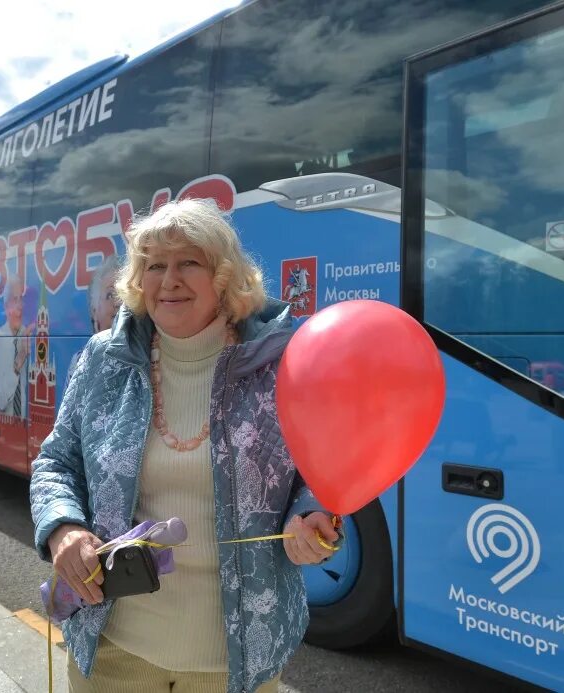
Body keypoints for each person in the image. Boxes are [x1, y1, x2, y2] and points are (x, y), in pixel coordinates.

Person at [29, 198, 338, 693]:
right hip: (114, 653)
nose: (168, 279)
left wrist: (312, 517)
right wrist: (64, 529)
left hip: (235, 666)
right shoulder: (102, 358)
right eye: (154, 265)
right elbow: (56, 461)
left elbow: (321, 473)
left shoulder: (282, 366)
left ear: (224, 276)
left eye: (188, 262)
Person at [0, 275, 30, 417]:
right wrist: (20, 359)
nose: (20, 305)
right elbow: (1, 401)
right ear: (6, 306)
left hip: (25, 423)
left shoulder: (26, 334)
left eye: (22, 299)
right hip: (6, 425)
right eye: (15, 300)